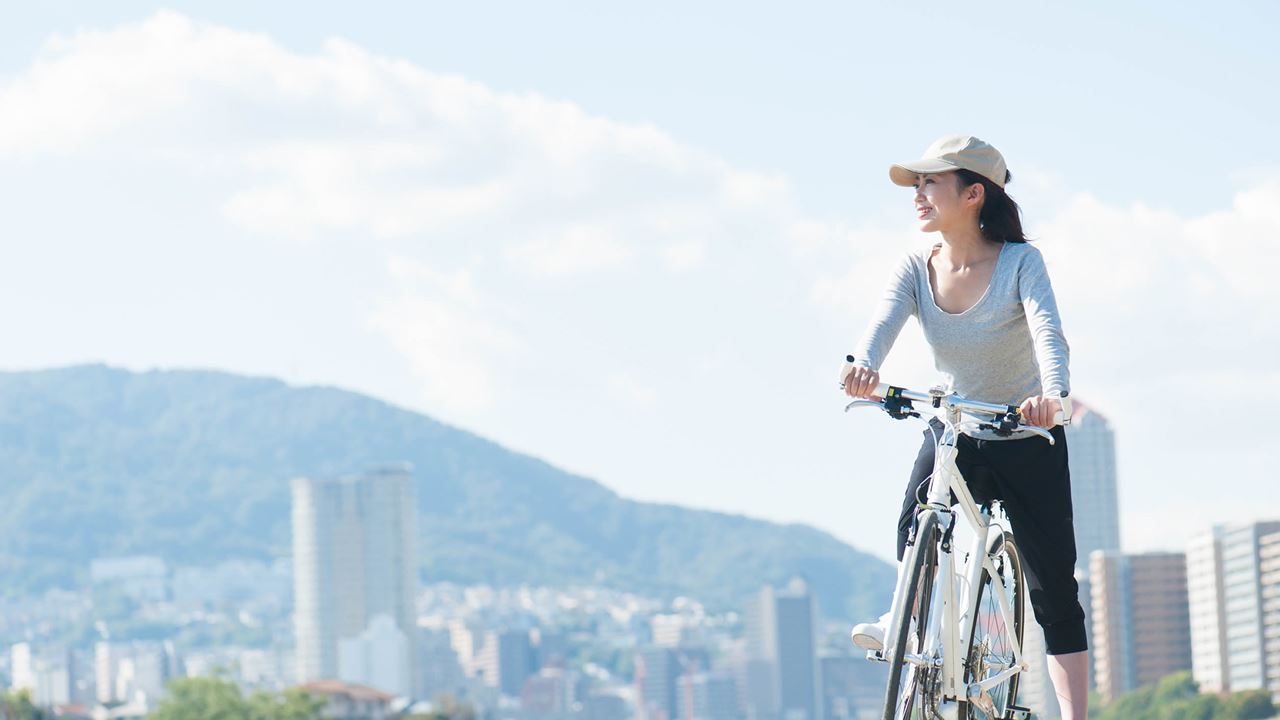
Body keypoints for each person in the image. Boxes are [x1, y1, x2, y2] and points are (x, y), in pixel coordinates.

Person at [841, 134, 1088, 719]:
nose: (919, 195)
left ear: (974, 193)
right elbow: (880, 324)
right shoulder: (914, 266)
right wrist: (862, 366)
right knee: (917, 516)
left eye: (932, 183)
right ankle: (906, 614)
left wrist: (1053, 398)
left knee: (1054, 590)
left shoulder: (1020, 263)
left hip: (1026, 432)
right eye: (917, 184)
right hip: (960, 424)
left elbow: (1048, 333)